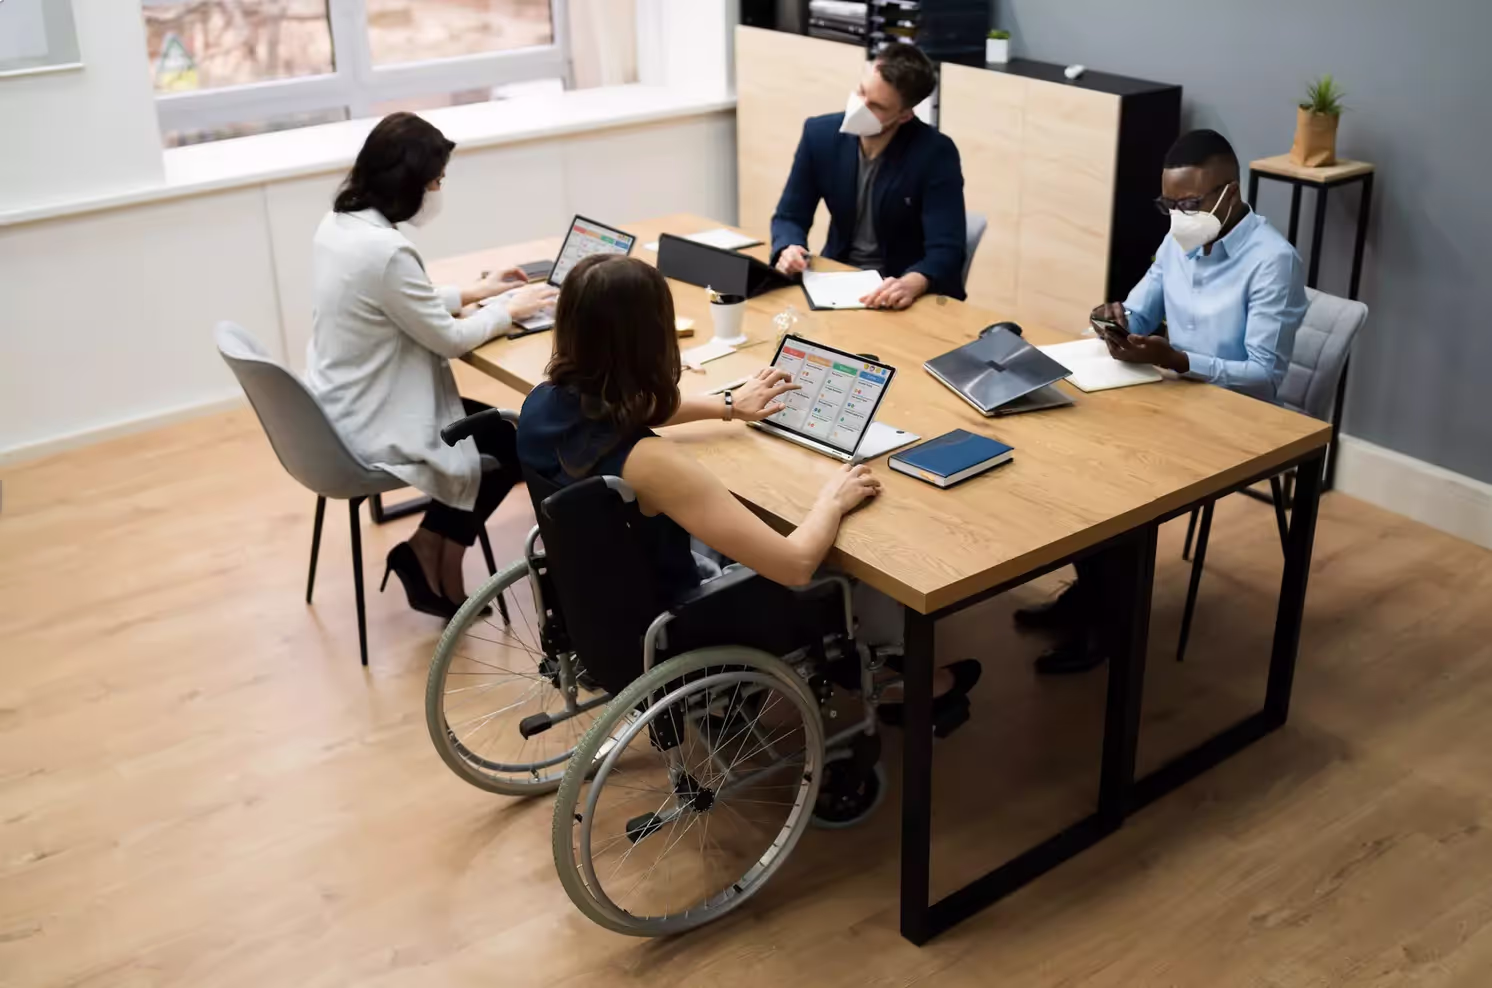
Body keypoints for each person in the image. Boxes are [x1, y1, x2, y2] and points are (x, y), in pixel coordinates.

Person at [516, 254, 981, 728]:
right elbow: (795, 565)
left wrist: (729, 405)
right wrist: (831, 501)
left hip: (606, 607)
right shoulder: (652, 463)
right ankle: (887, 673)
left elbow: (626, 409)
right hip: (684, 617)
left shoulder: (541, 403)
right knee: (846, 556)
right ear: (651, 339)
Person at [1019, 128, 1309, 674]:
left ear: (1230, 191)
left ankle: (1110, 625)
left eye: (1190, 204)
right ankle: (1090, 595)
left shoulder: (1273, 261)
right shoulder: (1179, 241)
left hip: (1235, 418)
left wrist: (1179, 361)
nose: (1178, 216)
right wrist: (1115, 322)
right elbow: (1140, 311)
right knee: (1071, 454)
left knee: (1116, 483)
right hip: (1169, 397)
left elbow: (1266, 377)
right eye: (1169, 204)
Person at [305, 112, 557, 618]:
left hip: (339, 402)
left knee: (499, 439)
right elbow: (449, 341)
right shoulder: (386, 250)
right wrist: (507, 310)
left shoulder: (340, 225)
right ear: (408, 184)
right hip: (377, 413)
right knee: (514, 445)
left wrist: (473, 291)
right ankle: (432, 552)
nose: (439, 190)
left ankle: (432, 554)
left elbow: (394, 299)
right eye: (436, 180)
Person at [770, 44, 967, 310]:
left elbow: (947, 249)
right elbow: (789, 216)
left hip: (897, 288)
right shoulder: (820, 135)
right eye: (861, 92)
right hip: (835, 280)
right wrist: (789, 248)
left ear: (905, 115)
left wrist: (913, 282)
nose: (859, 109)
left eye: (876, 106)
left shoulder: (935, 153)